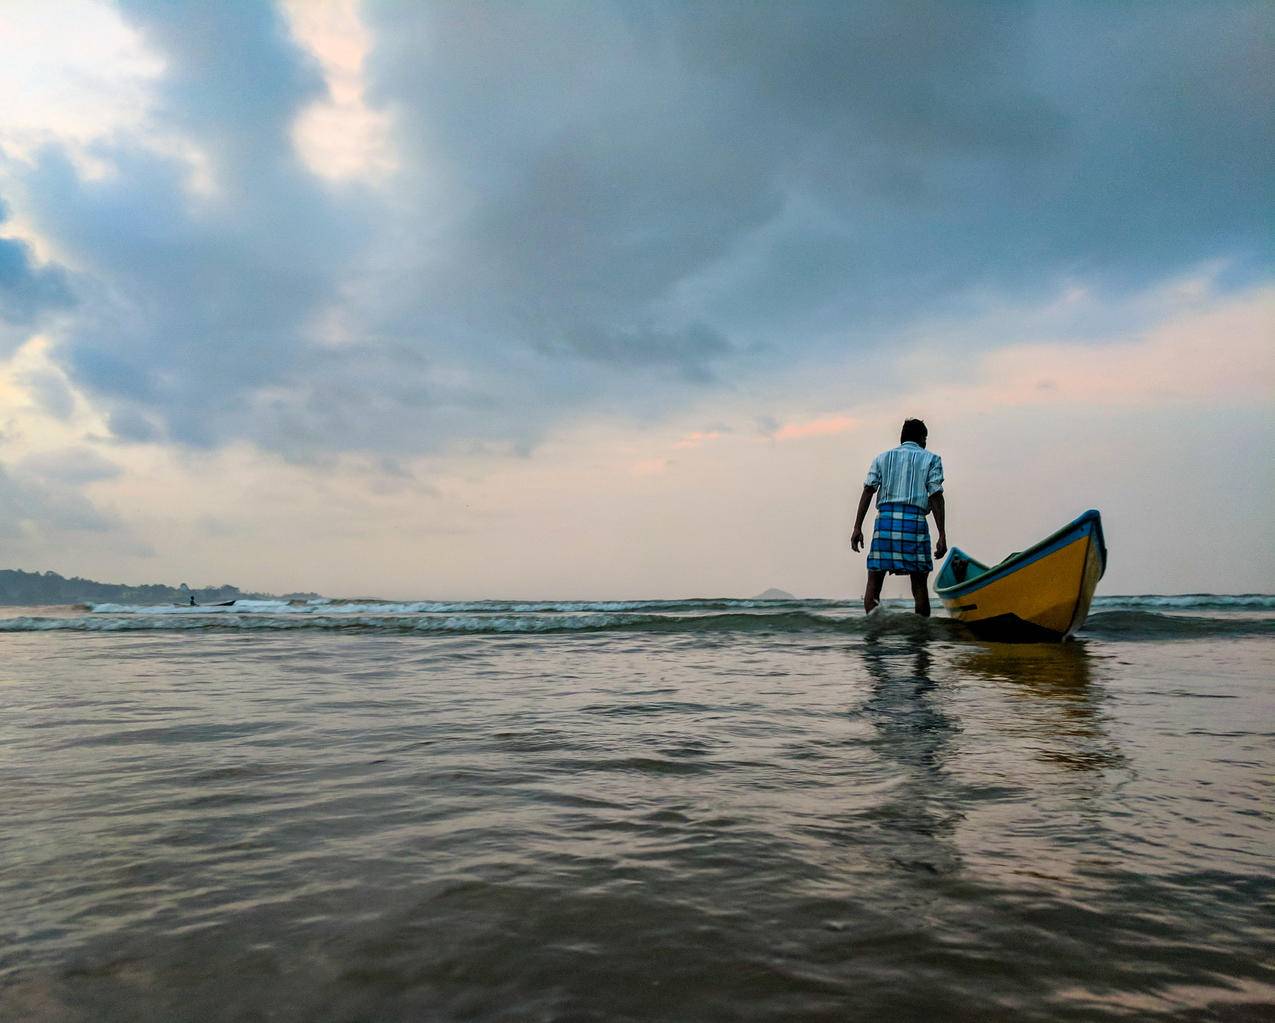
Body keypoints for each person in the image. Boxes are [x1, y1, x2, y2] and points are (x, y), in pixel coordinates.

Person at [850, 419, 947, 616]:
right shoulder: (932, 459)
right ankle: (920, 639)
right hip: (915, 523)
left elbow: (868, 490)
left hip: (885, 524)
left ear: (902, 437)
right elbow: (936, 496)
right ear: (921, 438)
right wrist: (942, 534)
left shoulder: (882, 458)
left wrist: (857, 527)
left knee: (874, 581)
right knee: (919, 586)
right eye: (925, 438)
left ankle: (874, 634)